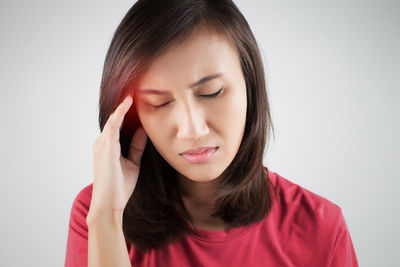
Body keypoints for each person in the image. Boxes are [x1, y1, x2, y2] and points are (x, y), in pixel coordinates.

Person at [65, 0, 359, 266]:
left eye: (211, 92)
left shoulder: (322, 227)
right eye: (160, 103)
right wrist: (107, 218)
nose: (193, 129)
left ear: (249, 85)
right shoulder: (97, 212)